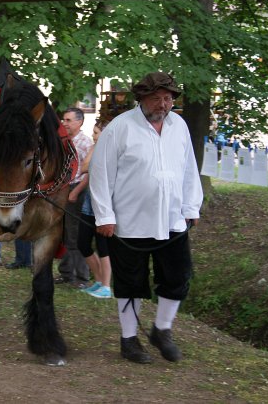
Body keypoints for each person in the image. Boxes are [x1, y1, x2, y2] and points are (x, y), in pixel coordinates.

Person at [91, 72, 203, 364]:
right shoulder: (120, 128)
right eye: (156, 98)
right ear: (141, 98)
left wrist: (192, 207)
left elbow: (189, 168)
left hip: (172, 220)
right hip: (129, 222)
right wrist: (104, 215)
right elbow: (101, 174)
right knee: (131, 282)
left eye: (168, 98)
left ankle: (162, 330)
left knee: (178, 276)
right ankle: (129, 339)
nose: (163, 104)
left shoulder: (179, 126)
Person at [55, 107, 93, 287]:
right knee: (63, 232)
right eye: (64, 120)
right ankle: (66, 273)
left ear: (80, 122)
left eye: (69, 120)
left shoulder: (86, 143)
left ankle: (82, 277)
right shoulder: (64, 141)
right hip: (62, 189)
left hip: (77, 189)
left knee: (75, 234)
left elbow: (89, 172)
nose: (65, 123)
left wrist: (76, 192)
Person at [77, 122, 112, 298]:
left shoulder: (109, 151)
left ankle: (106, 287)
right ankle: (98, 281)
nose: (93, 135)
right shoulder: (96, 148)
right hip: (89, 201)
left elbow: (86, 167)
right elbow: (84, 167)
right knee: (82, 242)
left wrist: (93, 154)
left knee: (103, 246)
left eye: (96, 133)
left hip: (104, 203)